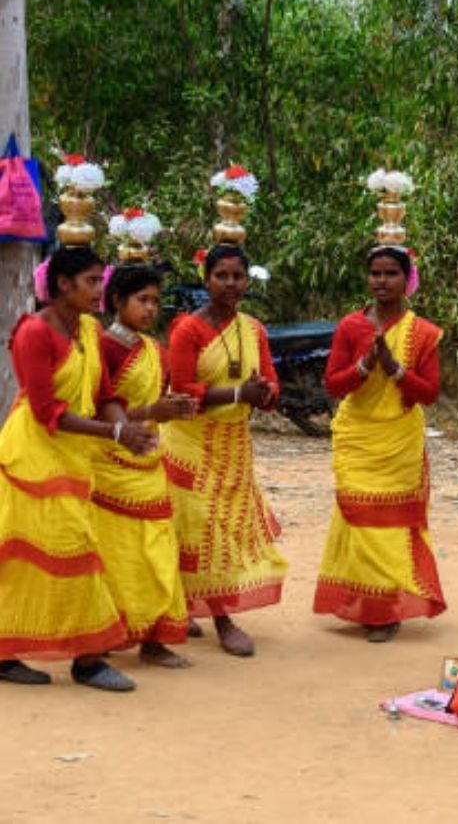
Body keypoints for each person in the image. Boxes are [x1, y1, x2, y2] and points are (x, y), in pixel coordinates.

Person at [0, 247, 156, 690]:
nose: (99, 290)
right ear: (63, 285)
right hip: (34, 458)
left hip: (75, 457)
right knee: (62, 551)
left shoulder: (88, 327)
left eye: (99, 280)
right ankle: (87, 660)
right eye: (90, 281)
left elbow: (106, 394)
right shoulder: (35, 332)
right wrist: (117, 436)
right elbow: (50, 412)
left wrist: (128, 429)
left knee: (55, 554)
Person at [313, 245, 446, 642]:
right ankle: (364, 601)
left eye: (390, 273)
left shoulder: (422, 332)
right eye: (375, 273)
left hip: (398, 440)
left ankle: (385, 609)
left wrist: (394, 368)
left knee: (388, 524)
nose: (381, 281)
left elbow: (430, 393)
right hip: (357, 436)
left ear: (407, 280)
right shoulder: (351, 326)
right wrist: (365, 366)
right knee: (358, 516)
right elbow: (334, 383)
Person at [161, 244, 287, 657]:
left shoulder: (254, 329)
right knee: (200, 528)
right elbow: (181, 392)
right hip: (191, 443)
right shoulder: (188, 330)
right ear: (206, 279)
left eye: (238, 276)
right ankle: (222, 618)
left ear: (247, 281)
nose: (231, 284)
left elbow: (269, 383)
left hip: (235, 447)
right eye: (222, 276)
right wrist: (238, 391)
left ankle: (186, 604)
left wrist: (266, 394)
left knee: (226, 529)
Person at [91, 264, 196, 668]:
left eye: (155, 301)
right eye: (142, 300)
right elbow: (96, 412)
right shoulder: (103, 348)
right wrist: (153, 410)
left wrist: (172, 411)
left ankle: (155, 637)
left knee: (157, 551)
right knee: (115, 556)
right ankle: (103, 635)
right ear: (117, 302)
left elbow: (153, 410)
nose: (151, 309)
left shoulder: (154, 350)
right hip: (109, 465)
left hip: (149, 463)